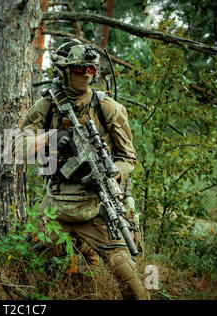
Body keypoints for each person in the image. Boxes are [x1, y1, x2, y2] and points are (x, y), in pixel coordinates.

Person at [14, 38, 149, 299]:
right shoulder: (46, 107)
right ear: (64, 70)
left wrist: (113, 172)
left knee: (129, 277)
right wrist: (50, 138)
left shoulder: (107, 108)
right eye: (79, 69)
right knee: (21, 262)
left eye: (91, 69)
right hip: (56, 205)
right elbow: (17, 149)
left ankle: (85, 256)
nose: (86, 74)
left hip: (97, 205)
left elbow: (128, 158)